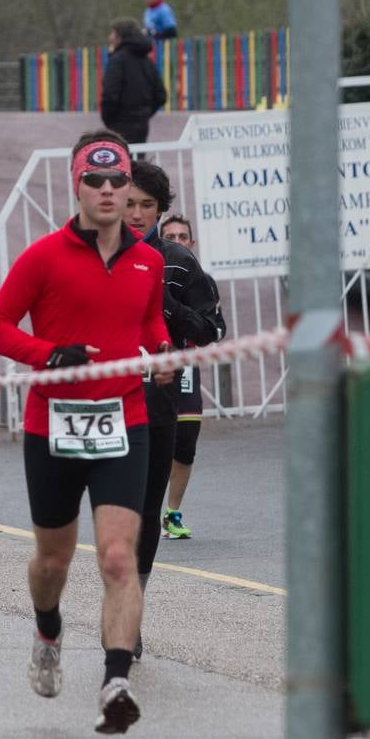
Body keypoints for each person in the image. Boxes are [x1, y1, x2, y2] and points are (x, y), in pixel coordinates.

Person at [0, 133, 170, 735]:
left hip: (124, 421)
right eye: (97, 181)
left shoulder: (150, 260)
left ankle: (116, 681)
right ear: (78, 186)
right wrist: (48, 353)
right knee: (53, 561)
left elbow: (148, 320)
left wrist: (162, 350)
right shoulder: (44, 257)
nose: (110, 192)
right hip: (54, 426)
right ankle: (48, 629)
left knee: (119, 557)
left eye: (119, 183)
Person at [123, 158, 225, 656]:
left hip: (156, 405)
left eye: (148, 206)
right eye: (130, 204)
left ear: (161, 212)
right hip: (99, 409)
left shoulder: (179, 264)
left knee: (144, 513)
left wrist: (172, 311)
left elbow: (212, 331)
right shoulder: (89, 256)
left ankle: (129, 610)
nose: (137, 214)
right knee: (111, 515)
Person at [160, 213, 222, 540]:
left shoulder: (202, 281)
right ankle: (140, 509)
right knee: (151, 442)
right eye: (170, 237)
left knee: (184, 444)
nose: (177, 242)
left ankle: (173, 513)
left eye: (183, 237)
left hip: (185, 367)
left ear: (192, 243)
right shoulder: (148, 273)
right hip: (148, 365)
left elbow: (216, 328)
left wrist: (178, 312)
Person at [100, 18, 167, 145]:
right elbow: (160, 95)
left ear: (120, 36)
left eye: (113, 33)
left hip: (119, 124)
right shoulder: (147, 61)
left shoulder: (117, 60)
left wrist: (108, 119)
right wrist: (144, 113)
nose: (110, 37)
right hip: (142, 124)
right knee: (138, 161)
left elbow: (110, 93)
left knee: (122, 161)